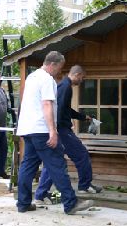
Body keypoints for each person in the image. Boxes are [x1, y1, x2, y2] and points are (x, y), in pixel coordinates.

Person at [16, 51, 93, 214]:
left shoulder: (31, 77)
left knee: (28, 165)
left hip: (27, 129)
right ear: (53, 64)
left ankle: (23, 203)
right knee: (58, 164)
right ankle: (70, 203)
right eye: (59, 67)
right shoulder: (47, 79)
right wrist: (52, 131)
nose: (60, 71)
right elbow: (47, 105)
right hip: (41, 130)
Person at [35, 65, 102, 204]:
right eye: (82, 78)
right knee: (81, 154)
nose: (82, 81)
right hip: (62, 130)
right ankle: (84, 186)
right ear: (77, 74)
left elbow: (65, 109)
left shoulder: (63, 86)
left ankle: (40, 195)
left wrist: (83, 117)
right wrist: (56, 130)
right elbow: (57, 110)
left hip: (59, 129)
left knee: (53, 161)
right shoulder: (65, 87)